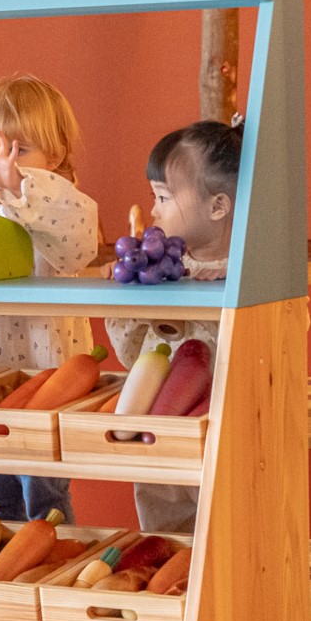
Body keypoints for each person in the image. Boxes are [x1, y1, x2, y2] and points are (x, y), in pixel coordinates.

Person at [0, 74, 99, 523]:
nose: (2, 165)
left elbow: (78, 246)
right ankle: (0, 555)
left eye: (18, 151)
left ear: (56, 155)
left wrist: (22, 187)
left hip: (48, 375)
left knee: (44, 490)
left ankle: (50, 552)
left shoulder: (64, 211)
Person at [105, 117, 243, 532]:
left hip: (223, 435)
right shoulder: (158, 268)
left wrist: (235, 287)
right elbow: (132, 355)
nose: (153, 209)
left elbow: (273, 343)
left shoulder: (250, 273)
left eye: (163, 197)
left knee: (225, 528)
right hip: (156, 435)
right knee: (164, 532)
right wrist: (127, 295)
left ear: (218, 207)